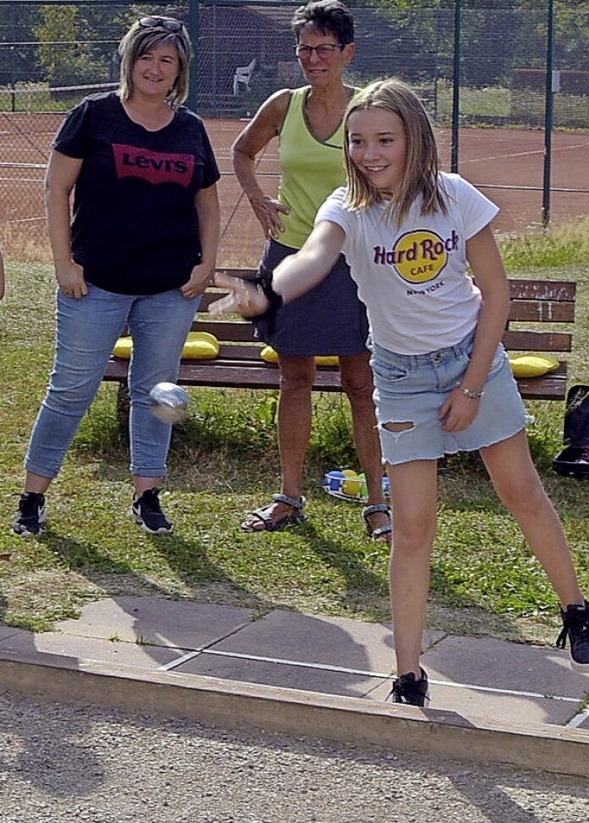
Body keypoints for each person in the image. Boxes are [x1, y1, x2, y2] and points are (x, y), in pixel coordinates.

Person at [214, 77, 589, 706]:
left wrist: (473, 388)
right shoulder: (346, 208)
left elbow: (497, 297)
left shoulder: (454, 197)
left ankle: (576, 610)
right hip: (399, 377)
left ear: (413, 140)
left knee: (522, 494)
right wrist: (270, 289)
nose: (370, 153)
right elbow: (312, 257)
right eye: (359, 141)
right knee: (412, 528)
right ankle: (408, 674)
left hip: (470, 362)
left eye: (385, 140)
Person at [12, 15, 220, 537]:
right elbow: (56, 188)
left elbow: (208, 203)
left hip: (169, 287)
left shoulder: (190, 128)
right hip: (96, 281)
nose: (155, 68)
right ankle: (32, 497)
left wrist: (205, 263)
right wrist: (64, 262)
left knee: (156, 393)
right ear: (129, 61)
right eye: (146, 57)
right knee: (71, 389)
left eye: (166, 60)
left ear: (179, 71)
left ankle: (148, 495)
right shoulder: (94, 116)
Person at [231, 0, 390, 541]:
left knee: (361, 384)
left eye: (325, 48)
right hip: (292, 259)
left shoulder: (371, 109)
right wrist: (257, 199)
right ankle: (289, 497)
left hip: (356, 265)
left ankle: (376, 503)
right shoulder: (283, 105)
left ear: (348, 52)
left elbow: (398, 173)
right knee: (294, 378)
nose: (313, 58)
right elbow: (241, 151)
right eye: (304, 48)